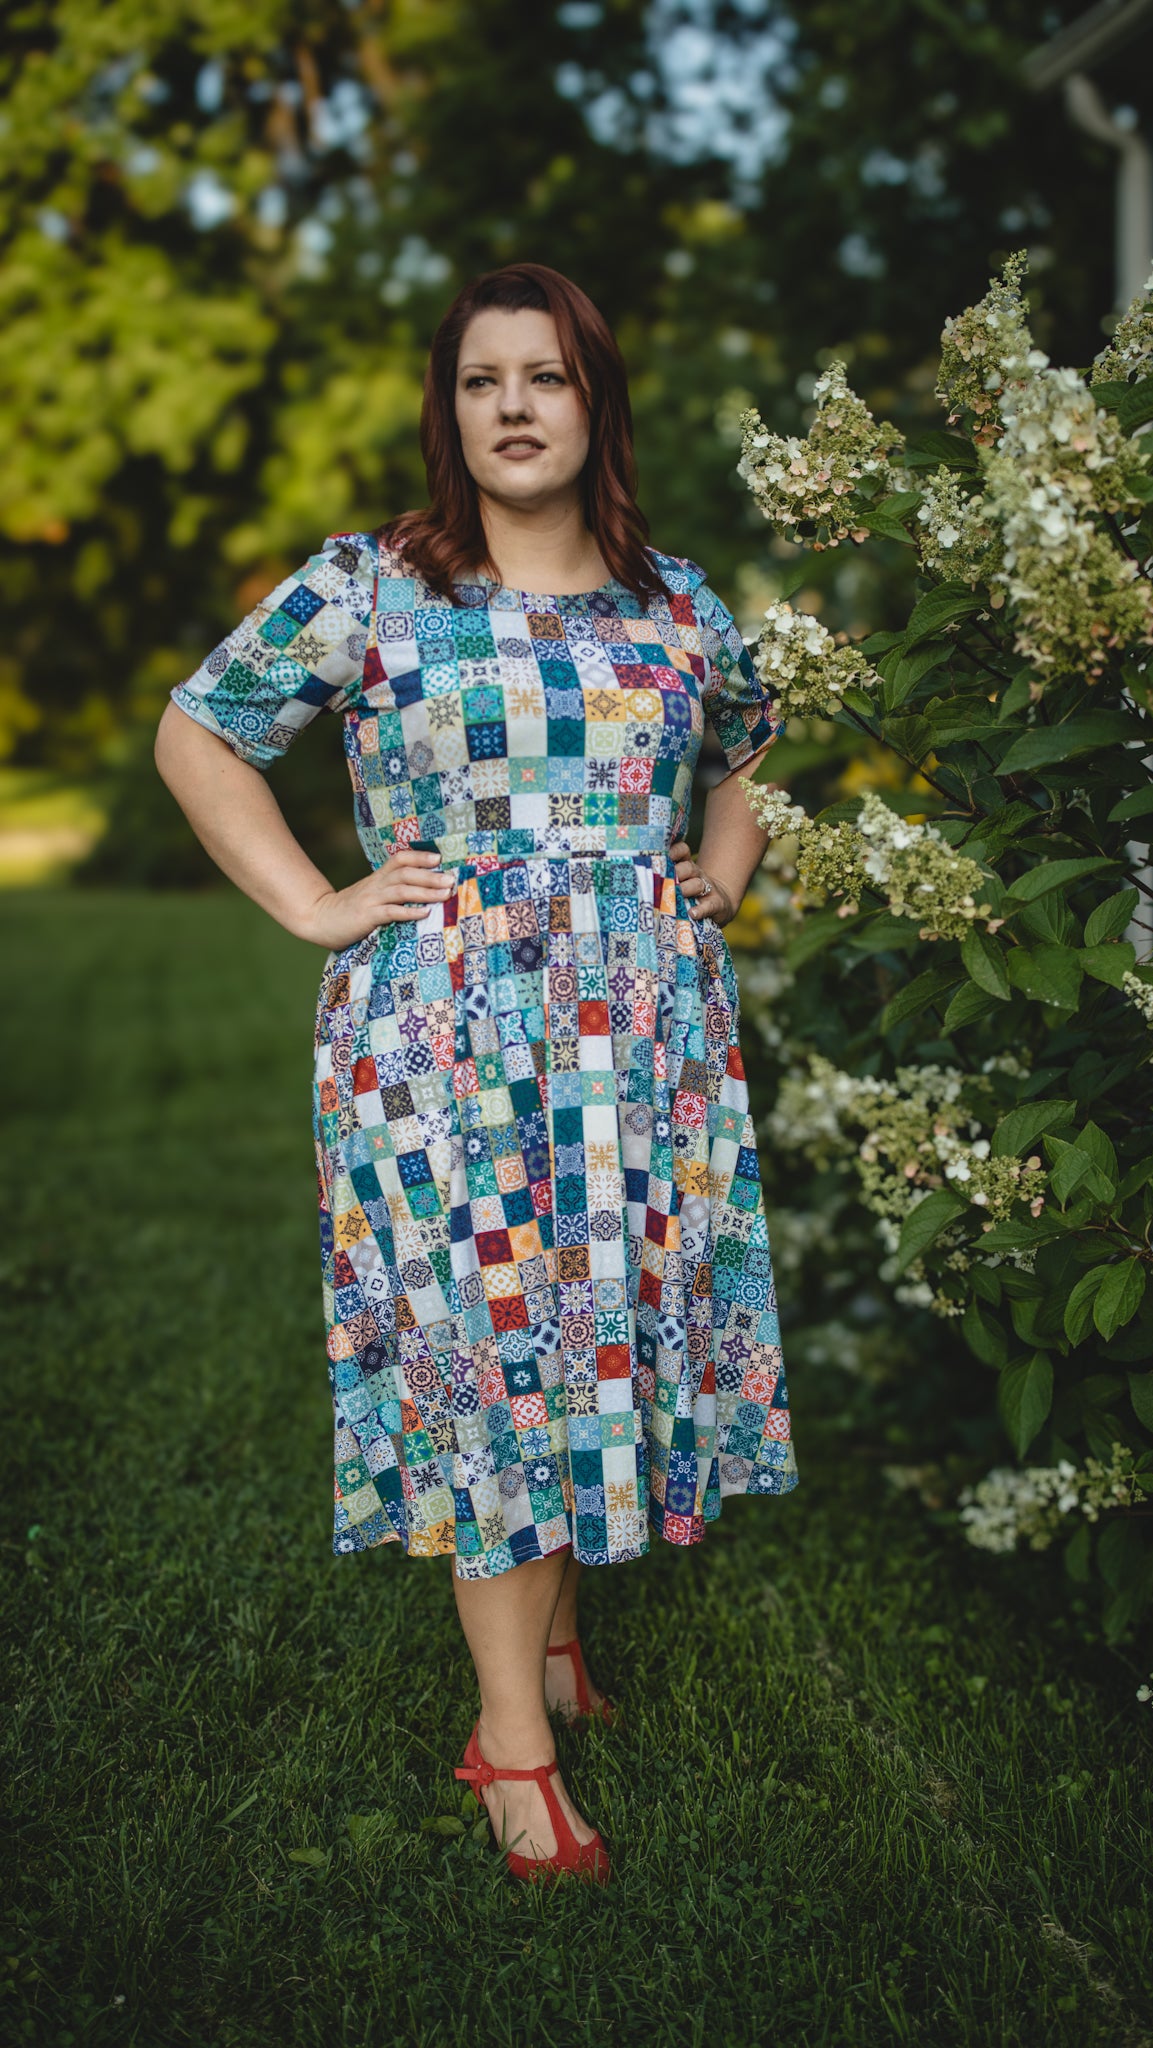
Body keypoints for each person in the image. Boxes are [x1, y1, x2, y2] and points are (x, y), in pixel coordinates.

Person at [156, 261, 798, 1884]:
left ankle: (563, 1660)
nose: (513, 407)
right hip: (446, 1035)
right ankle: (507, 1745)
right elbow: (199, 731)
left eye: (547, 377)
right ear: (450, 410)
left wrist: (720, 870)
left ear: (596, 402)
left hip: (645, 1028)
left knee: (609, 1321)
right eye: (479, 380)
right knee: (503, 1356)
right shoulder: (374, 586)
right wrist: (314, 900)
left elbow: (751, 755)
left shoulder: (675, 600)